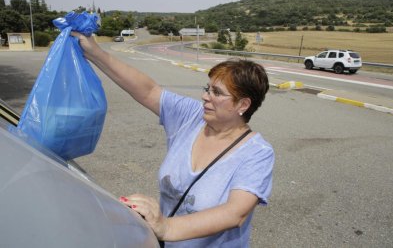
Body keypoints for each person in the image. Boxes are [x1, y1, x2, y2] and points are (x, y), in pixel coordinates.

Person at [71, 31, 275, 247]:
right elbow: (148, 91)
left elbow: (235, 214)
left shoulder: (257, 153)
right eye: (207, 88)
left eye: (217, 92)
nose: (205, 96)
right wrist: (95, 53)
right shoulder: (191, 116)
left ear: (242, 105)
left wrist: (166, 227)